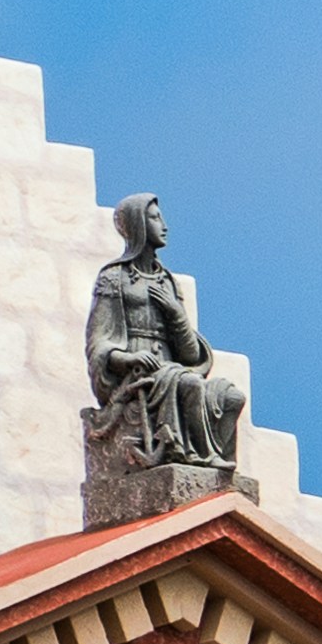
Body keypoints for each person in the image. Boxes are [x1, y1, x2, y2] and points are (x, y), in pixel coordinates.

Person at [87, 193, 248, 478]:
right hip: (139, 373)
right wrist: (126, 357)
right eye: (154, 217)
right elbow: (98, 341)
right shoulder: (114, 278)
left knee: (232, 397)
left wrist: (174, 312)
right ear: (137, 224)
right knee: (190, 385)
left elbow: (188, 354)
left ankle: (219, 467)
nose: (164, 225)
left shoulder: (168, 281)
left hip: (174, 368)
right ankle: (204, 456)